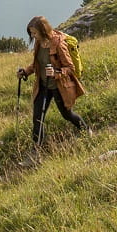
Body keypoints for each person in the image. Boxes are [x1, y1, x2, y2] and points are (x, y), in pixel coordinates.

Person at [17, 14, 87, 145]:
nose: (32, 36)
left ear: (43, 31)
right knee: (37, 118)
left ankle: (86, 131)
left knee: (67, 114)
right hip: (43, 85)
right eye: (31, 33)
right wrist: (25, 72)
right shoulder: (39, 43)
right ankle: (36, 149)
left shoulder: (59, 44)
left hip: (58, 86)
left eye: (34, 33)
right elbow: (37, 64)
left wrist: (57, 72)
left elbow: (70, 68)